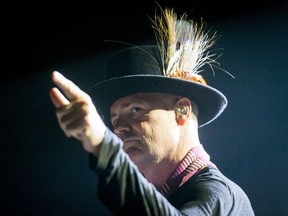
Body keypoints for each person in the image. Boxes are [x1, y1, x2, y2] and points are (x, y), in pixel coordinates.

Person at [49, 7, 254, 216]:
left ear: (182, 110)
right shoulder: (173, 195)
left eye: (136, 109)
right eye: (114, 119)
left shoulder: (220, 195)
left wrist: (102, 145)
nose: (118, 128)